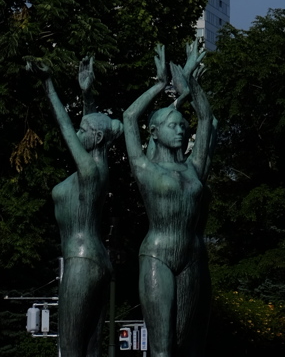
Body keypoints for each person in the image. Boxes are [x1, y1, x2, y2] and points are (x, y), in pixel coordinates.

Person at [123, 43, 216, 357]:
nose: (180, 130)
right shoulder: (145, 168)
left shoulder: (195, 168)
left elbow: (205, 120)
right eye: (173, 126)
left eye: (182, 126)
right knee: (162, 348)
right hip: (157, 256)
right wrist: (160, 84)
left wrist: (192, 86)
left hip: (193, 257)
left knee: (190, 346)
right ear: (155, 132)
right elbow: (128, 117)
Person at [41, 57, 123, 357]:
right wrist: (87, 96)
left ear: (96, 138)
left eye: (83, 131)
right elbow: (92, 126)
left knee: (71, 347)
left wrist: (49, 84)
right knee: (91, 348)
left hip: (80, 261)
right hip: (96, 261)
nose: (78, 134)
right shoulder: (97, 170)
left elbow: (66, 129)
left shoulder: (89, 172)